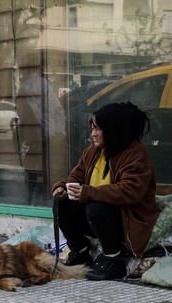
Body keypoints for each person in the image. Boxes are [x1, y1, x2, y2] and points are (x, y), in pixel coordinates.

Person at [52, 101, 160, 280]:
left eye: (98, 129)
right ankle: (81, 253)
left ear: (114, 129)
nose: (93, 134)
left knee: (95, 207)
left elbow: (130, 191)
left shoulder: (136, 154)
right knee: (63, 205)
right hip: (99, 217)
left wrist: (88, 192)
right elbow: (76, 177)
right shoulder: (93, 152)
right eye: (92, 128)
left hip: (128, 217)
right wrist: (62, 187)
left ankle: (113, 259)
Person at [16, 72, 67, 205]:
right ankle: (35, 199)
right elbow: (57, 111)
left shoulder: (28, 88)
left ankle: (35, 200)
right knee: (37, 170)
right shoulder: (41, 86)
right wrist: (58, 133)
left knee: (37, 171)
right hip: (42, 137)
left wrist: (57, 133)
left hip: (41, 138)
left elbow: (27, 115)